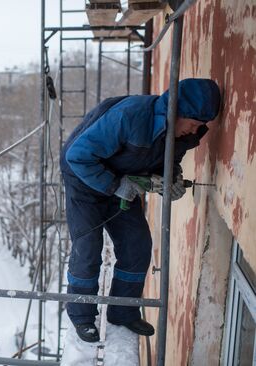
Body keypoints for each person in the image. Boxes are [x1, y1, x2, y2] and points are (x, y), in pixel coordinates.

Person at [59, 78, 221, 342]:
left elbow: (167, 161)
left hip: (124, 179)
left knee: (137, 244)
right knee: (87, 247)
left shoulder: (185, 132)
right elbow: (78, 156)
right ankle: (82, 316)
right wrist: (115, 185)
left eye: (201, 126)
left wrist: (172, 179)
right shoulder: (131, 116)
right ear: (176, 112)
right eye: (193, 123)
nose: (195, 130)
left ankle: (123, 312)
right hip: (84, 178)